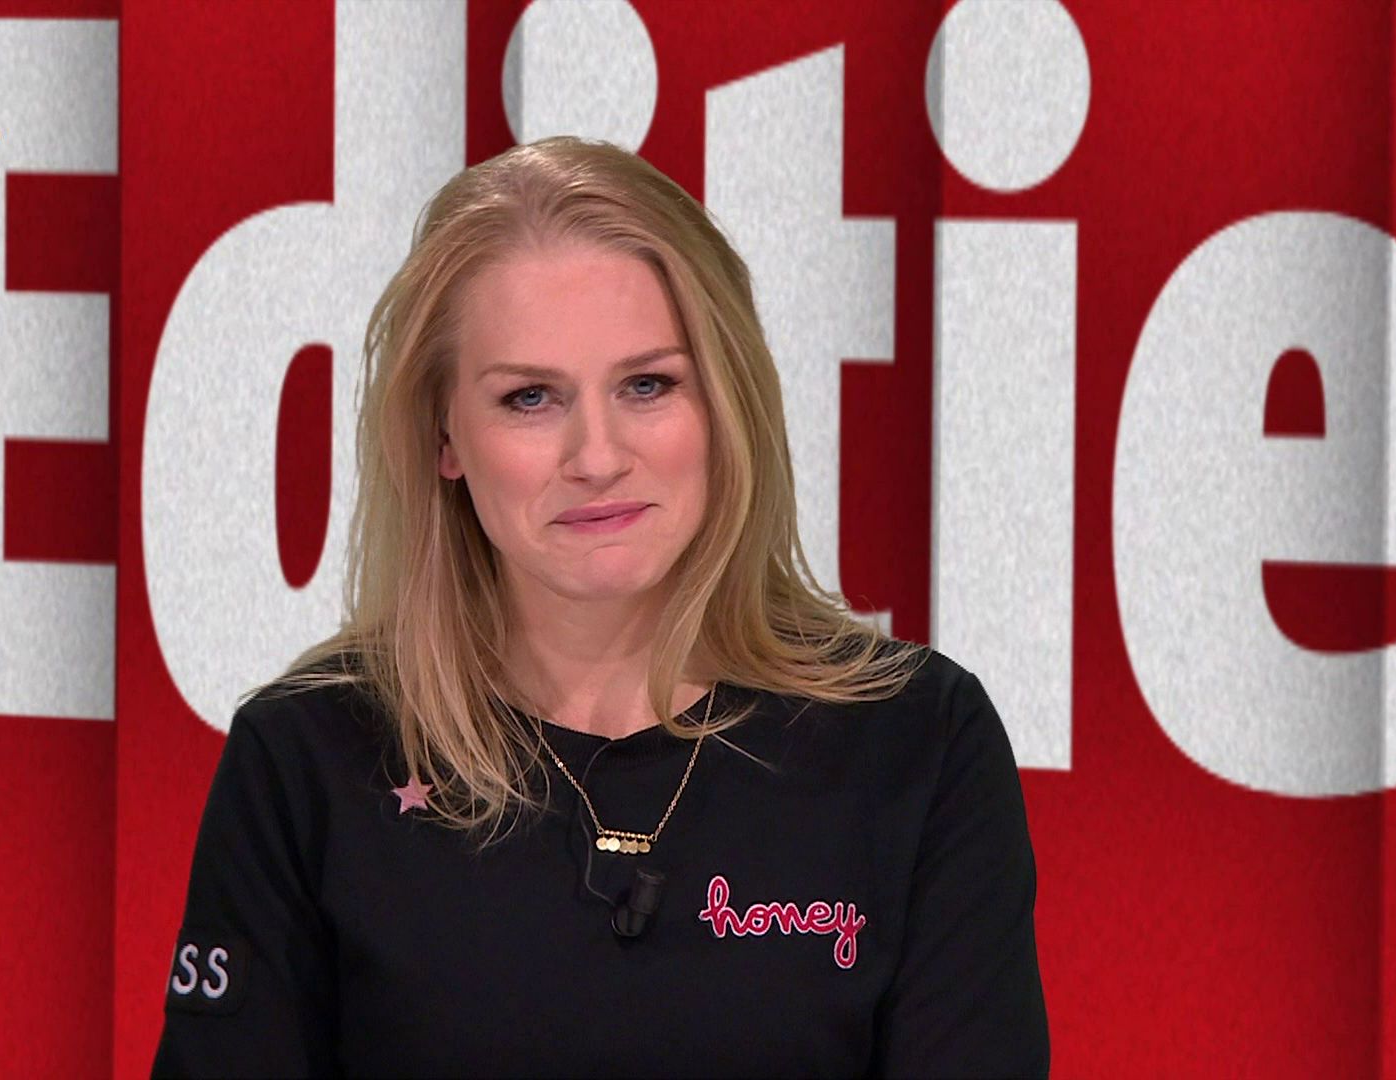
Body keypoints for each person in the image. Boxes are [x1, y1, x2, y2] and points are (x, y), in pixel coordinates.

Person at [150, 135, 1048, 1078]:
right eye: (530, 398)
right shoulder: (307, 759)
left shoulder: (918, 743)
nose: (597, 456)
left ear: (728, 404)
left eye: (647, 385)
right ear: (444, 436)